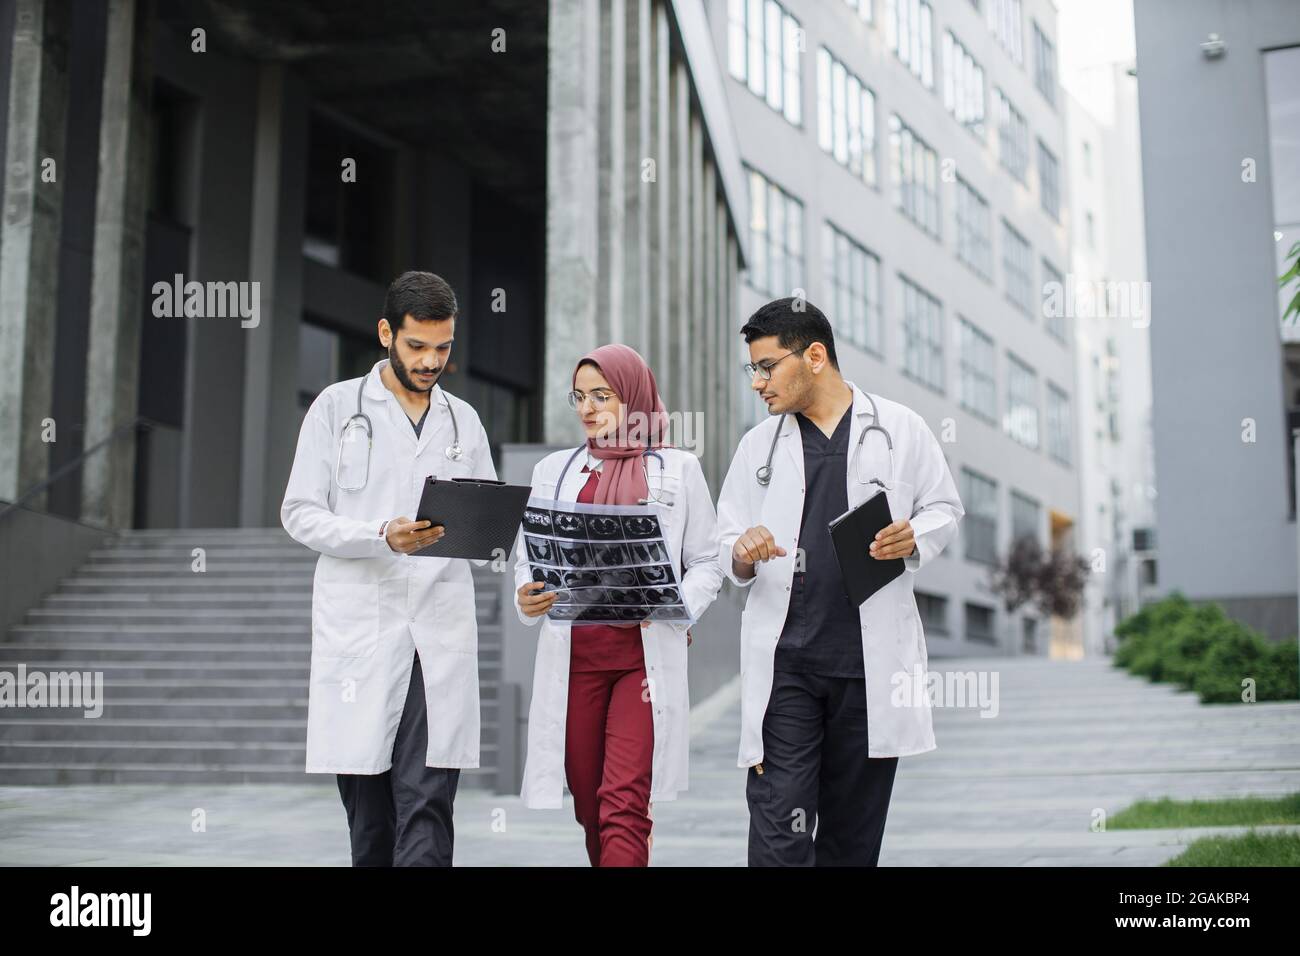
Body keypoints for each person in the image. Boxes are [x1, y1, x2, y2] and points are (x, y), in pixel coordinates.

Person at [715, 298, 964, 866]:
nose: (757, 382)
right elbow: (726, 539)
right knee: (779, 836)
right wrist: (742, 551)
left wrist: (915, 536)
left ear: (816, 357)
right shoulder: (760, 447)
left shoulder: (900, 428)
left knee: (851, 845)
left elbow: (945, 508)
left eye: (767, 366)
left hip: (866, 670)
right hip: (787, 671)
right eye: (751, 368)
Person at [281, 270, 496, 866]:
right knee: (371, 822)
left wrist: (500, 544)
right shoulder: (336, 407)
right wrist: (380, 536)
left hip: (438, 630)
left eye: (443, 347)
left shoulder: (464, 421)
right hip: (362, 631)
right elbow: (299, 513)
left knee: (427, 806)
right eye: (417, 346)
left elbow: (485, 527)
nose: (431, 361)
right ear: (386, 333)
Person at [513, 344, 723, 866]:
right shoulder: (553, 471)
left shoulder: (678, 469)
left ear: (632, 396)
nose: (588, 408)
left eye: (602, 395)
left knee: (622, 803)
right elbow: (528, 558)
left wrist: (675, 604)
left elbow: (708, 563)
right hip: (575, 660)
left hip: (641, 663)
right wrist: (527, 594)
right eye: (579, 396)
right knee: (588, 801)